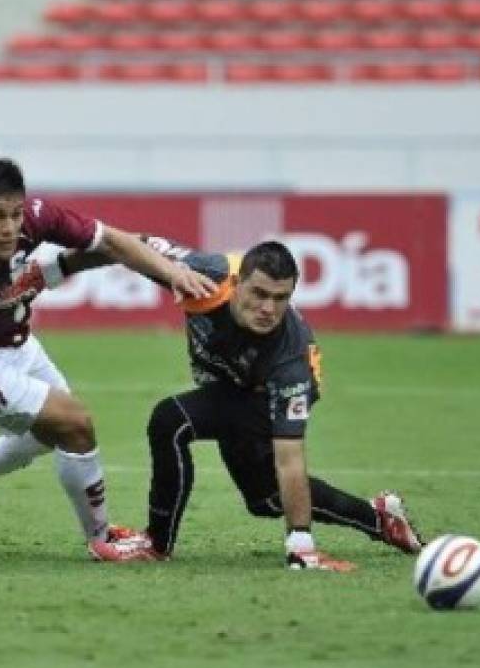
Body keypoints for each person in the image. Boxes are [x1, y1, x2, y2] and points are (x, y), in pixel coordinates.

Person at [39, 237, 424, 570]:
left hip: (265, 395)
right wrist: (53, 271)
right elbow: (123, 245)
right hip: (232, 382)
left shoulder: (290, 365)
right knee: (264, 499)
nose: (268, 309)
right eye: (258, 294)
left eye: (280, 298)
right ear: (236, 284)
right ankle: (379, 518)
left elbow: (289, 457)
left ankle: (155, 544)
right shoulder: (201, 277)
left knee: (170, 420)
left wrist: (302, 546)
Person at [0, 158, 217, 560]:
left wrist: (170, 271)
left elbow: (110, 241)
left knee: (55, 432)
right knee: (74, 424)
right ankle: (102, 540)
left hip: (7, 333)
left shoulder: (34, 217)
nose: (9, 228)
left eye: (15, 214)